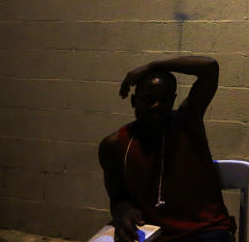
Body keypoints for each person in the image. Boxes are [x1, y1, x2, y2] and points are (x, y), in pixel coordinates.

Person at [97, 56, 234, 242]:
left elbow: (210, 67)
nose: (157, 105)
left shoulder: (187, 123)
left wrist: (153, 65)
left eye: (164, 99)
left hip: (204, 231)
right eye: (149, 99)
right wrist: (124, 211)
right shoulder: (114, 146)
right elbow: (118, 198)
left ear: (173, 100)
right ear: (133, 101)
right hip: (153, 233)